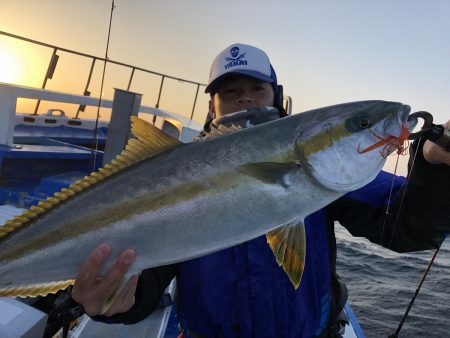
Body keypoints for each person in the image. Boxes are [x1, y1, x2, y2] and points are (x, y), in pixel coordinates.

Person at [71, 43, 450, 337]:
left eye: (257, 88)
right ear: (211, 107)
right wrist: (122, 301)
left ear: (278, 96)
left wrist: (433, 167)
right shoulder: (179, 173)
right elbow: (149, 276)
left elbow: (410, 229)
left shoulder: (327, 171)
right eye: (230, 91)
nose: (246, 98)